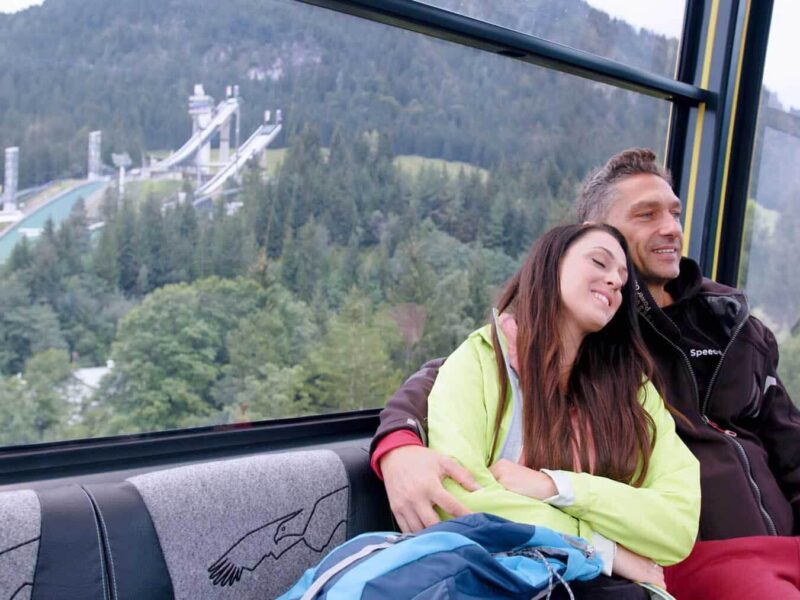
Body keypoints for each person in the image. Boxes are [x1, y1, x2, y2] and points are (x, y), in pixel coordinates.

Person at [370, 148, 800, 599]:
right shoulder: (602, 350)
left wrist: (561, 490)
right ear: (594, 233)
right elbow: (460, 371)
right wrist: (399, 446)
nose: (671, 228)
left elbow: (787, 440)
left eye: (674, 213)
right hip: (709, 558)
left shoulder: (731, 326)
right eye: (646, 215)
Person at [423, 222, 699, 596]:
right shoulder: (482, 362)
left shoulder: (634, 393)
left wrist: (557, 487)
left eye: (622, 277)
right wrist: (603, 550)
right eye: (599, 262)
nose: (615, 281)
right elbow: (460, 498)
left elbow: (677, 528)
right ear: (551, 265)